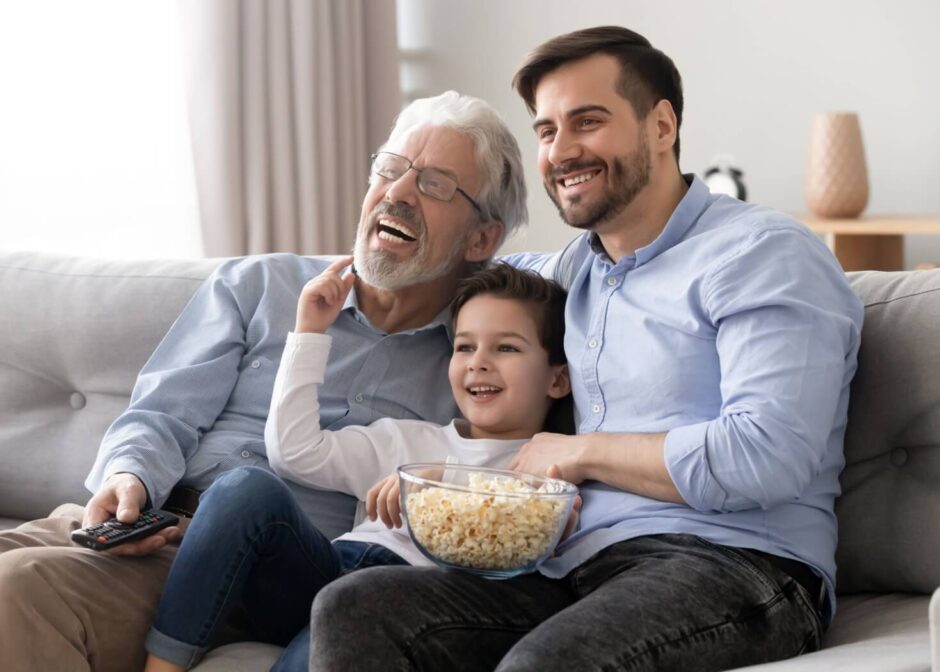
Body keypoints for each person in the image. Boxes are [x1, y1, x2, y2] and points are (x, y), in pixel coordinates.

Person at [306, 26, 865, 672]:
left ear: (661, 125)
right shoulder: (572, 272)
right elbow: (462, 278)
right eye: (546, 132)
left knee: (544, 665)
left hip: (741, 567)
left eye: (587, 122)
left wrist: (579, 452)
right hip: (577, 566)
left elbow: (766, 455)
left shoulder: (762, 254)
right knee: (354, 606)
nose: (561, 151)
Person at [0, 90, 527, 672]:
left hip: (237, 573)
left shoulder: (475, 366)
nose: (397, 193)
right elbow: (161, 412)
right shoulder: (261, 283)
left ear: (481, 240)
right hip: (135, 521)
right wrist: (129, 478)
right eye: (391, 168)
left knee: (14, 591)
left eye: (434, 185)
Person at [141, 262, 574, 672]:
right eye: (464, 346)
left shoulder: (551, 468)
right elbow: (295, 452)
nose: (478, 361)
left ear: (557, 379)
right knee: (244, 488)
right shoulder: (412, 439)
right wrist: (310, 332)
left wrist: (443, 485)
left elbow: (529, 540)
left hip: (392, 608)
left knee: (349, 613)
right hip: (323, 571)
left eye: (507, 347)